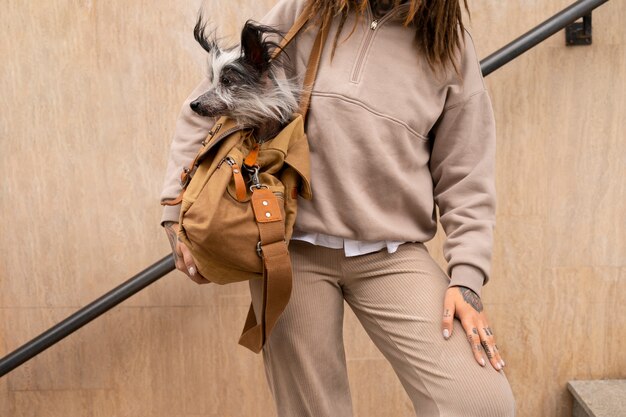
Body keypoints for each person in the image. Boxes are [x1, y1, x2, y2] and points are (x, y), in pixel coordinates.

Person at [160, 0, 516, 415]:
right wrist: (174, 209)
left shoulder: (448, 46)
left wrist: (467, 280)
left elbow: (467, 175)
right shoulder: (306, 11)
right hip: (286, 249)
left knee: (481, 403)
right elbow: (207, 106)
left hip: (392, 255)